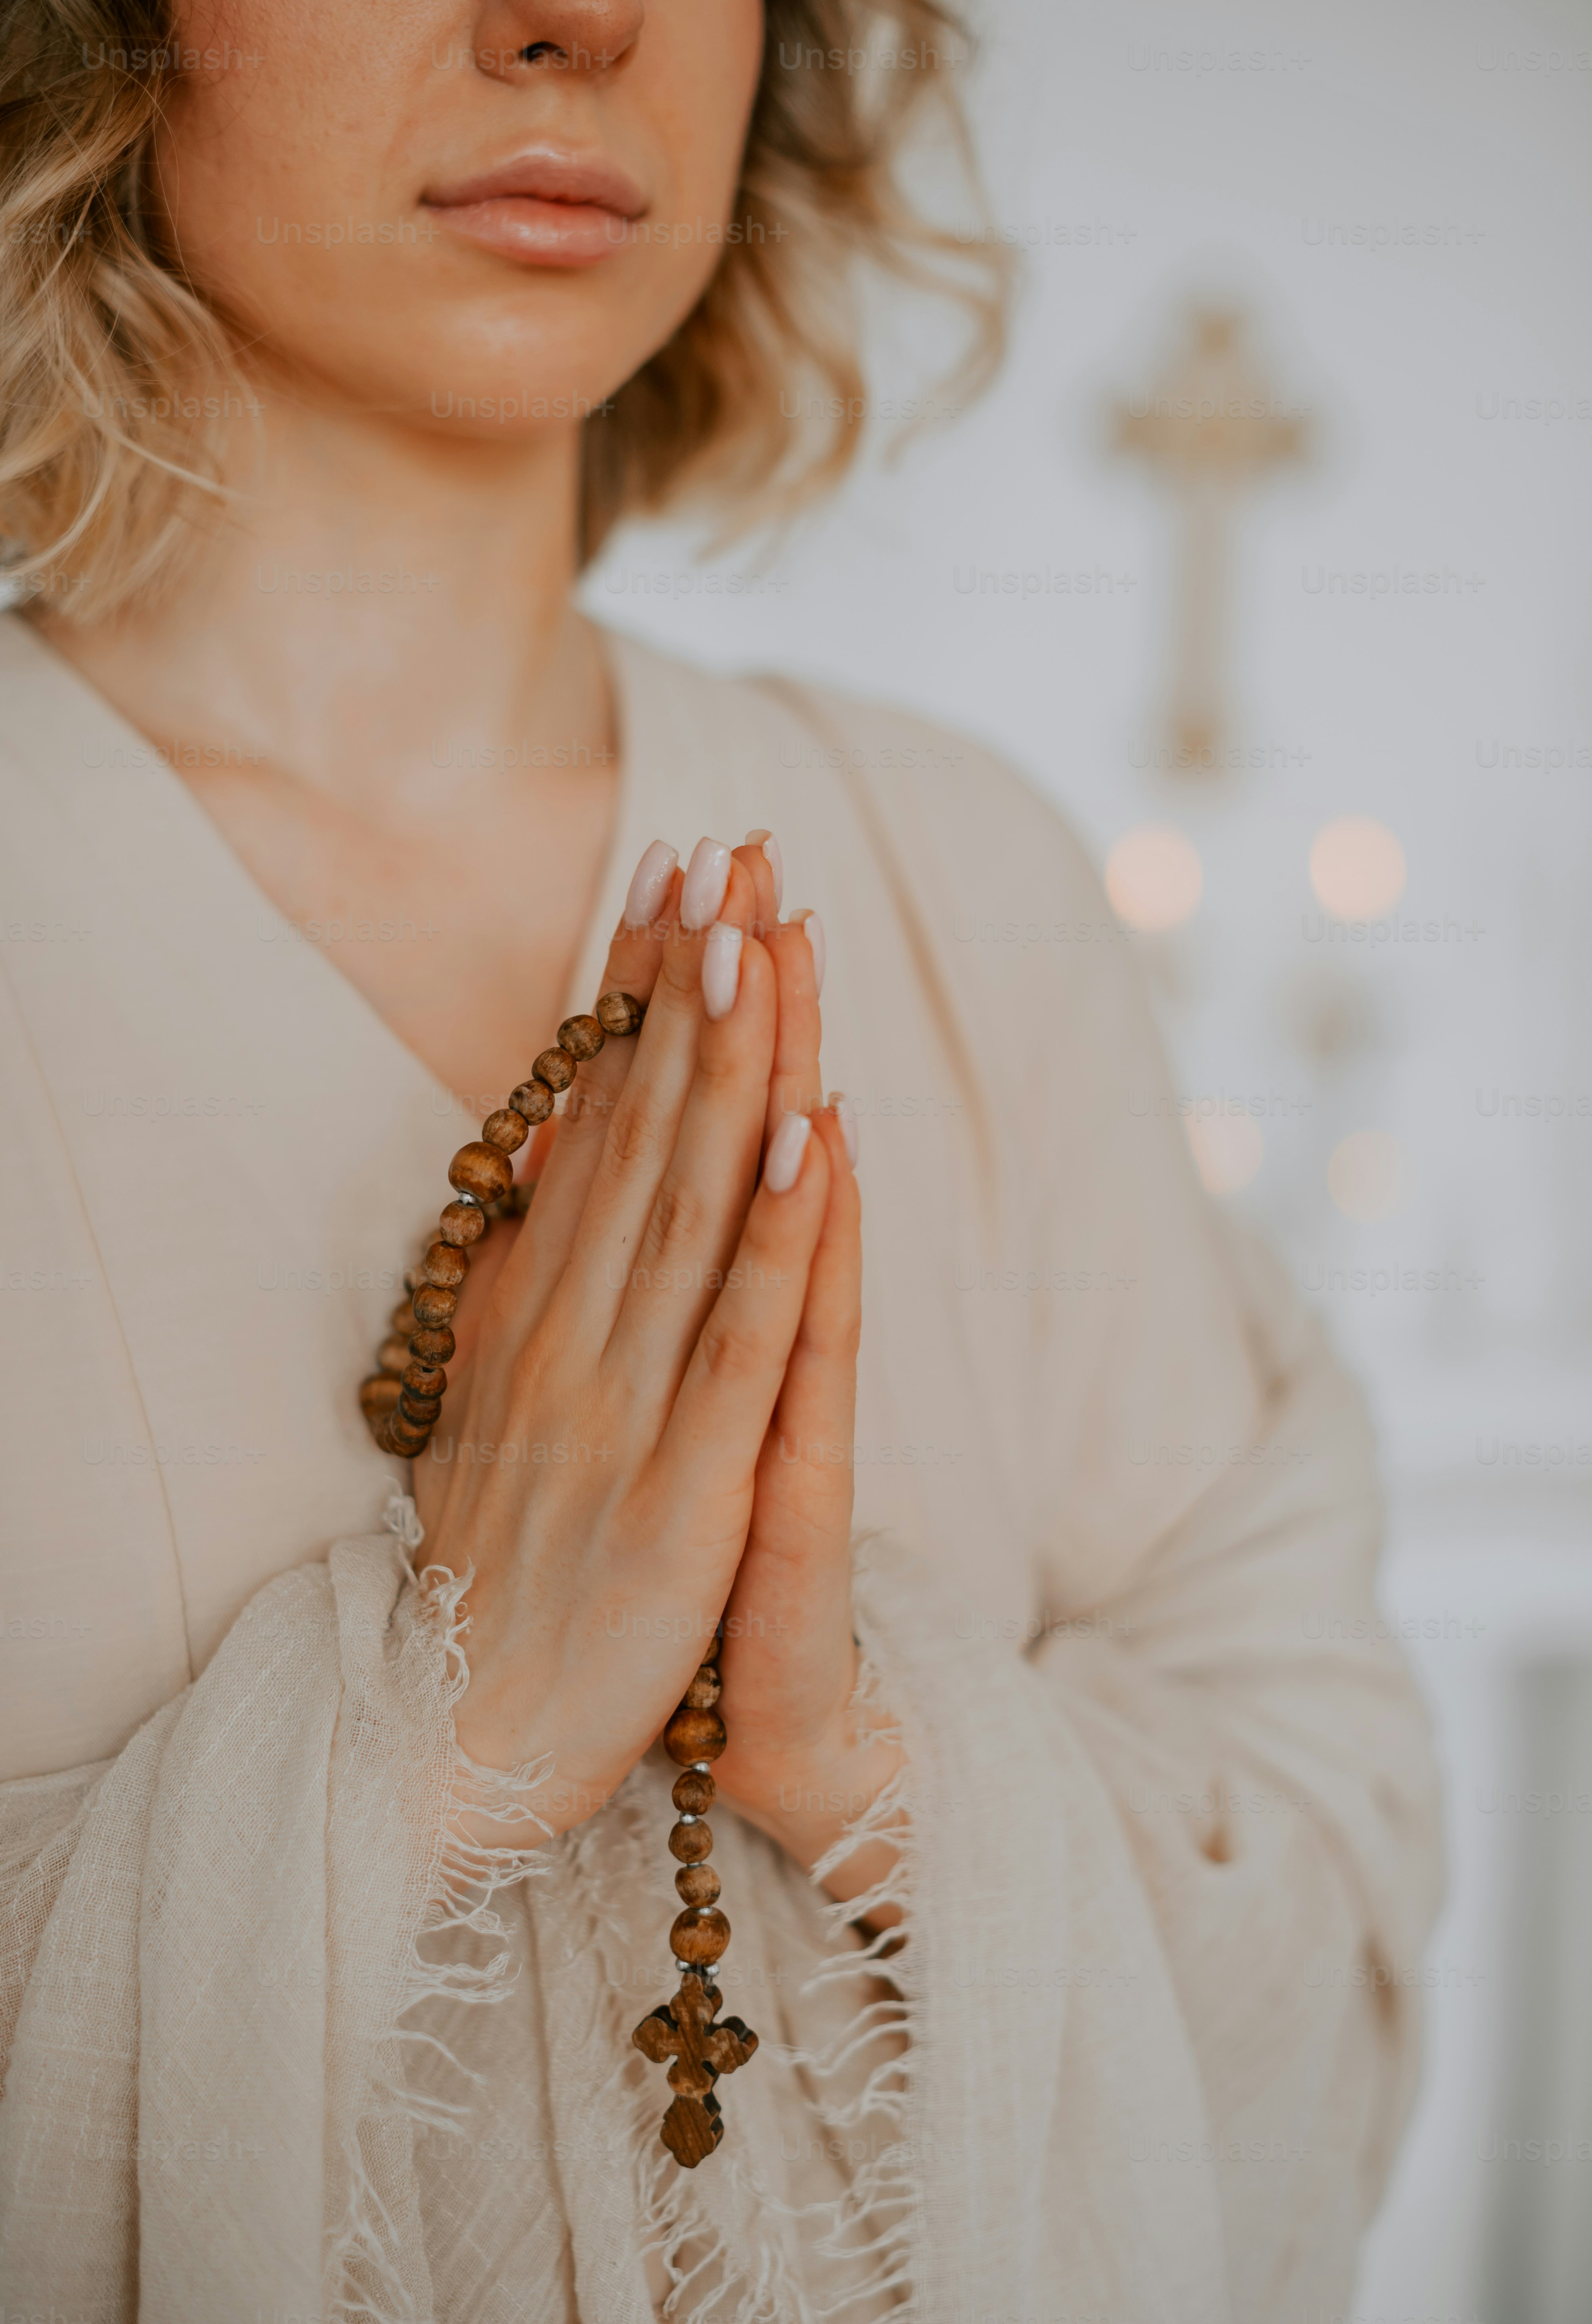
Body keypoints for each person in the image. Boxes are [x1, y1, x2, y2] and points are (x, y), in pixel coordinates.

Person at [0, 2, 1441, 2316]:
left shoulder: (961, 883)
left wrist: (871, 1751)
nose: (570, 21)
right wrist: (429, 1735)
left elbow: (1325, 1886)